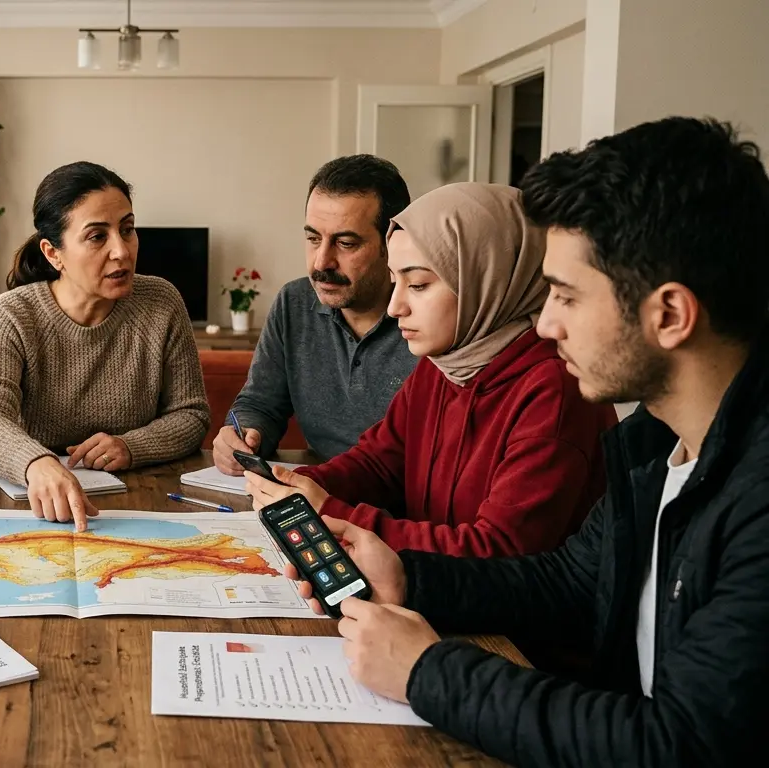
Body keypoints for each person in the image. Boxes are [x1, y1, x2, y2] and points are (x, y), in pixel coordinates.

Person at [286, 117, 769, 765]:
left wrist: (427, 671)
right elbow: (568, 581)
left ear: (670, 315)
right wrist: (407, 577)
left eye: (566, 296)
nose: (543, 322)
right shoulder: (657, 443)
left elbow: (673, 744)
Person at [247, 183, 616, 557]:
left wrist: (331, 512)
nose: (395, 307)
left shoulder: (554, 390)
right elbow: (380, 464)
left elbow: (498, 552)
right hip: (433, 594)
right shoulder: (443, 366)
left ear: (483, 280)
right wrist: (299, 484)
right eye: (396, 281)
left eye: (419, 284)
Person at [0, 161, 209, 531]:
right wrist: (36, 463)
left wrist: (131, 446)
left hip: (141, 504)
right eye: (98, 237)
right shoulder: (10, 316)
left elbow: (191, 414)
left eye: (128, 230)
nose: (122, 251)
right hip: (36, 505)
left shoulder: (162, 301)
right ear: (53, 253)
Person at [213, 155, 417, 473]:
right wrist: (243, 437)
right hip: (320, 491)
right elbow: (261, 403)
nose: (321, 262)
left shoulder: (430, 318)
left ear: (392, 242)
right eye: (313, 238)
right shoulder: (294, 303)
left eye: (346, 243)